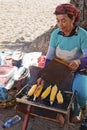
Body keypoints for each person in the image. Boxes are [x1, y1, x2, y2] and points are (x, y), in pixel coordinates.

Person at [37, 3, 87, 124]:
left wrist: (79, 61)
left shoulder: (83, 35)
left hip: (77, 69)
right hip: (58, 68)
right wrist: (44, 75)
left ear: (73, 18)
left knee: (81, 92)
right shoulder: (55, 34)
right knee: (45, 86)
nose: (60, 25)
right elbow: (49, 57)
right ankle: (58, 112)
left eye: (63, 21)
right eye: (58, 21)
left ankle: (77, 109)